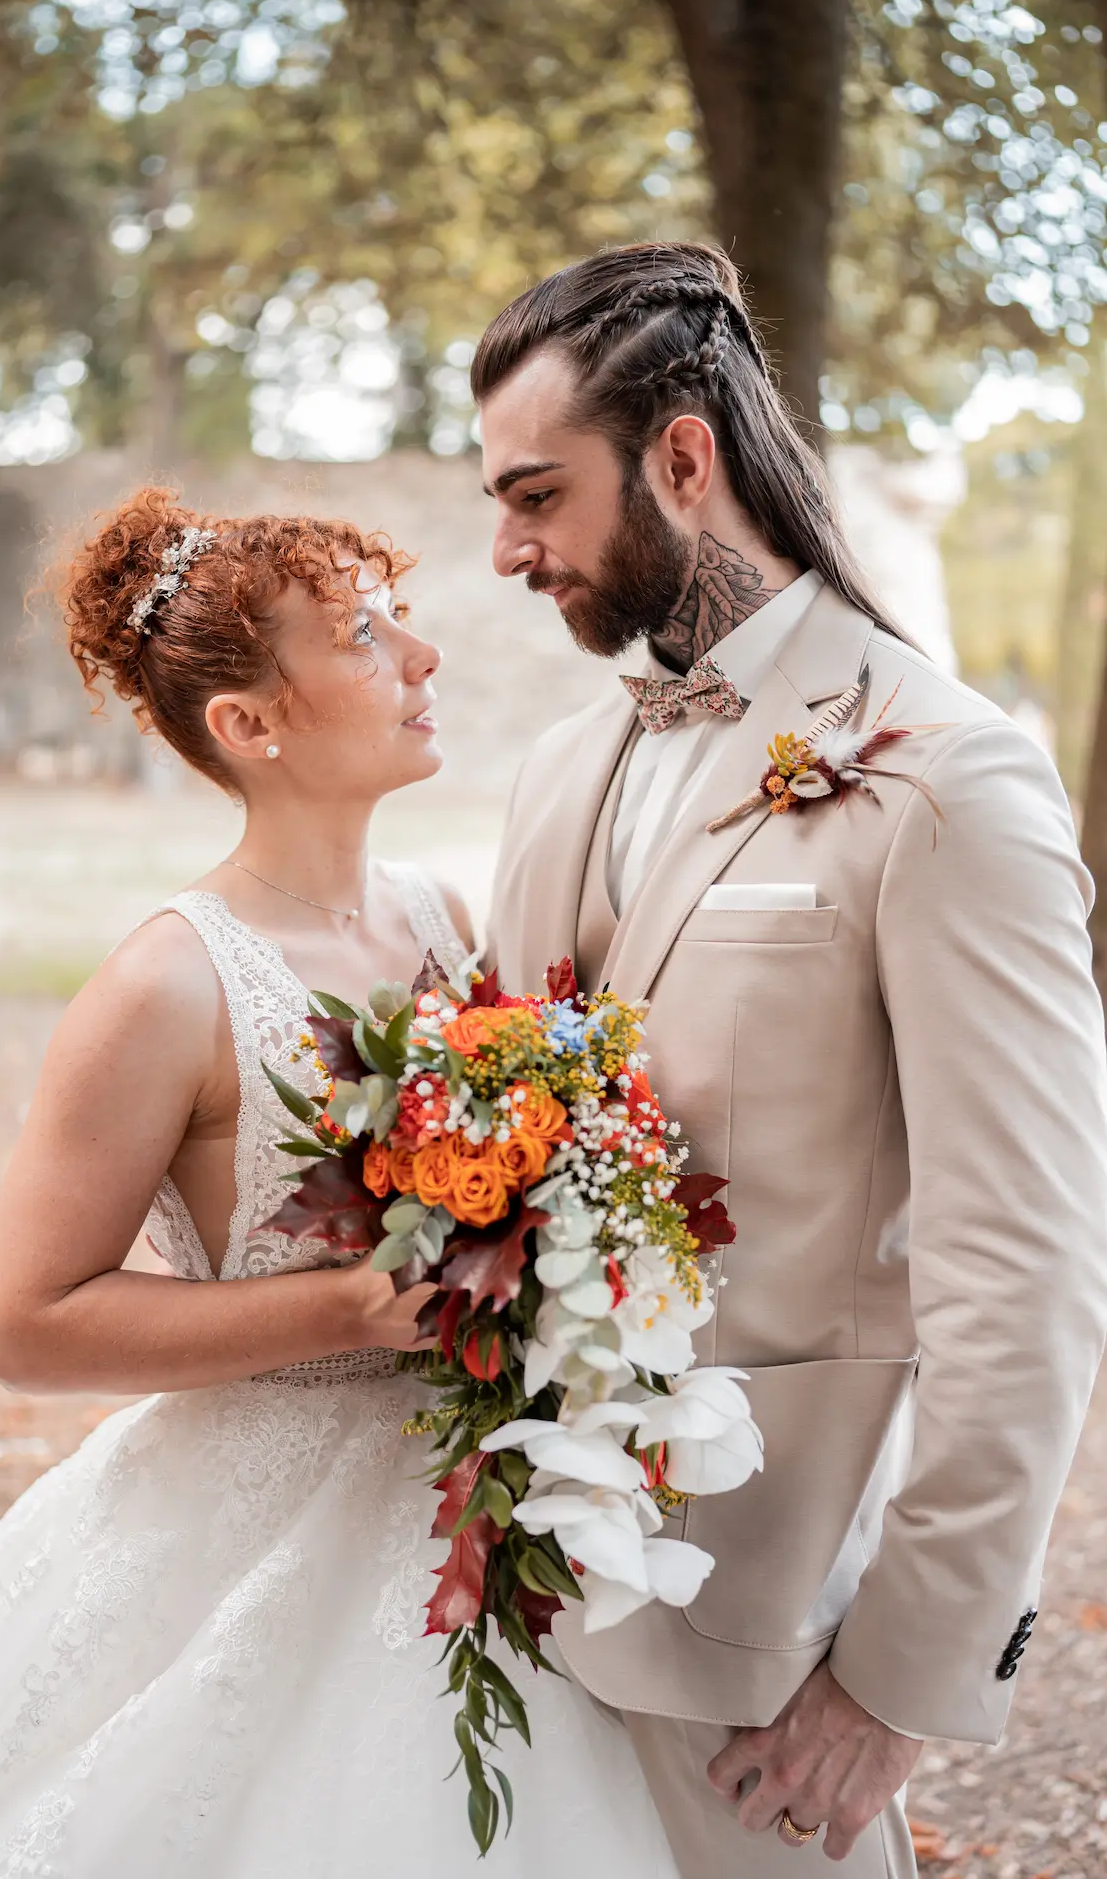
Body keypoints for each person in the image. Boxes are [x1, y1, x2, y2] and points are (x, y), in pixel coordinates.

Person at [0, 489, 678, 1878]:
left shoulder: (447, 920)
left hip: (481, 1511)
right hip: (251, 1527)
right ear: (251, 726)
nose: (423, 658)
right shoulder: (164, 984)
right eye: (364, 633)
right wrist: (348, 1307)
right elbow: (26, 1323)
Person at [475, 241, 1107, 1877]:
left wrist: (902, 1673)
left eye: (538, 495)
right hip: (504, 1613)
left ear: (684, 459)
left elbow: (1025, 1264)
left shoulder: (949, 782)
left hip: (765, 1642)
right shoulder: (556, 769)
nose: (504, 549)